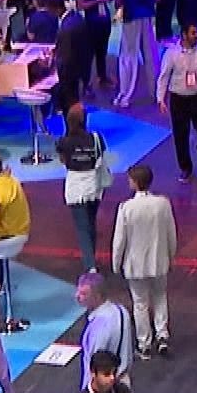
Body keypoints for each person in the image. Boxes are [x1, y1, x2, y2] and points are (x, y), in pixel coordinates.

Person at [112, 165, 176, 358]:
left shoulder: (126, 208)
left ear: (135, 182)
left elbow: (119, 240)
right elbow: (171, 234)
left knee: (140, 303)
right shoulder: (163, 204)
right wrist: (171, 256)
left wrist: (116, 263)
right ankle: (162, 335)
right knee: (160, 297)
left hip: (135, 265)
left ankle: (144, 343)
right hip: (159, 261)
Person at [157, 22, 197, 183]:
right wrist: (161, 99)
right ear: (184, 35)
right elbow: (164, 76)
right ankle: (186, 167)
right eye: (193, 33)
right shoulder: (171, 53)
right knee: (180, 135)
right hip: (179, 99)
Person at [57, 105, 113, 276]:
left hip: (76, 188)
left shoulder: (63, 142)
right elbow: (102, 156)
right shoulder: (96, 138)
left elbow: (63, 161)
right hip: (94, 186)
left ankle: (90, 266)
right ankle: (91, 259)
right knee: (90, 223)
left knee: (82, 227)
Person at [115, 0, 160, 107]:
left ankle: (125, 95)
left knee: (128, 56)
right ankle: (156, 92)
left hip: (131, 19)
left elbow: (118, 2)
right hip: (147, 17)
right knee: (151, 55)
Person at [76, 273, 135, 387]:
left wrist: (86, 391)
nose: (77, 296)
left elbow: (94, 365)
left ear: (97, 296)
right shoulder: (121, 310)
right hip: (122, 379)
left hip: (104, 387)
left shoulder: (99, 327)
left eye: (84, 294)